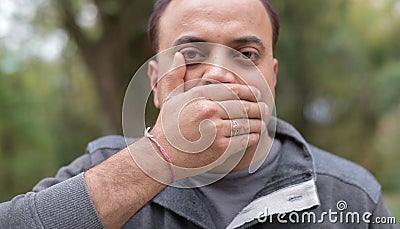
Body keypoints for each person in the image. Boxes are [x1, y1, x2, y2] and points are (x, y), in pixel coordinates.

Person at [0, 0, 397, 228]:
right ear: (154, 82)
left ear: (271, 79)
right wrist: (159, 158)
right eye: (190, 54)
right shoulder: (103, 166)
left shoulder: (349, 195)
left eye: (246, 54)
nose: (219, 74)